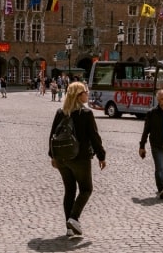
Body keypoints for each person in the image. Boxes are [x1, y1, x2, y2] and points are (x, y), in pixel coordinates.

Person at [49, 81, 106, 238]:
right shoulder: (86, 114)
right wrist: (101, 156)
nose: (88, 94)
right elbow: (95, 137)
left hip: (62, 158)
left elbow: (52, 135)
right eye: (85, 92)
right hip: (80, 158)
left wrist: (52, 156)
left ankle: (69, 227)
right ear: (78, 95)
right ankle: (73, 218)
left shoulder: (61, 112)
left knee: (70, 190)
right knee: (86, 189)